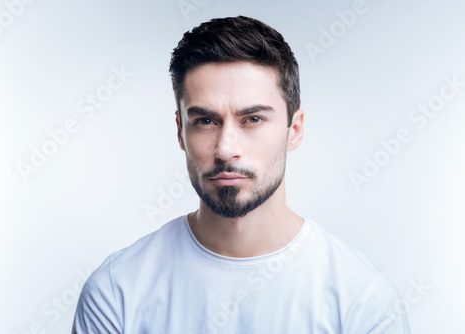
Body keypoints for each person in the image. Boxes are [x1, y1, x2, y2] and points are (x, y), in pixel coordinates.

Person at [71, 16, 411, 333]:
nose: (225, 148)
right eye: (205, 120)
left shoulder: (363, 301)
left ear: (294, 129)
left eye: (253, 119)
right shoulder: (116, 291)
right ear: (180, 132)